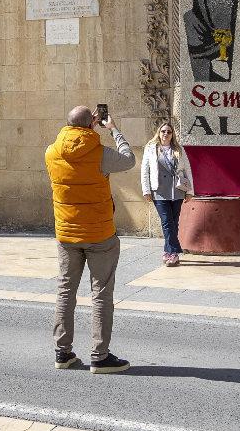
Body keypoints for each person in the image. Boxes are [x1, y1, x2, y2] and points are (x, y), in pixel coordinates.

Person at [45, 105, 136, 374]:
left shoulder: (51, 152)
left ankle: (62, 352)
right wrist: (113, 129)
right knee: (101, 294)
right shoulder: (100, 153)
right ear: (92, 122)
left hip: (67, 233)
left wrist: (88, 129)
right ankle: (100, 356)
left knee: (65, 291)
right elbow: (129, 159)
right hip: (99, 234)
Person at [141, 121, 194, 267]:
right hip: (159, 191)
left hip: (177, 191)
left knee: (173, 222)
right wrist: (146, 190)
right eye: (163, 131)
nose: (166, 134)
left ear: (172, 134)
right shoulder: (151, 148)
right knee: (166, 222)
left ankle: (168, 251)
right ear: (159, 133)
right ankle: (173, 252)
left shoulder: (179, 149)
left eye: (169, 132)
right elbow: (145, 171)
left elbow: (187, 170)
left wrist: (190, 191)